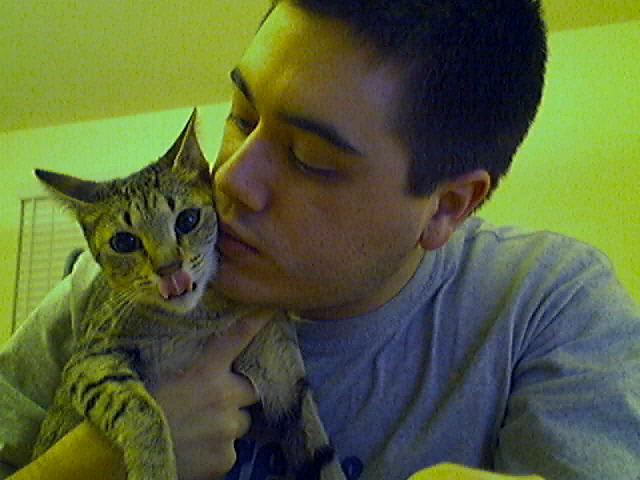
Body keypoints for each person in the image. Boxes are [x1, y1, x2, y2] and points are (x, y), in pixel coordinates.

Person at [1, 0, 639, 478]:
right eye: (241, 116)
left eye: (310, 158)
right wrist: (87, 466)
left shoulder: (546, 306)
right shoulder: (111, 289)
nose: (230, 178)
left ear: (446, 206)